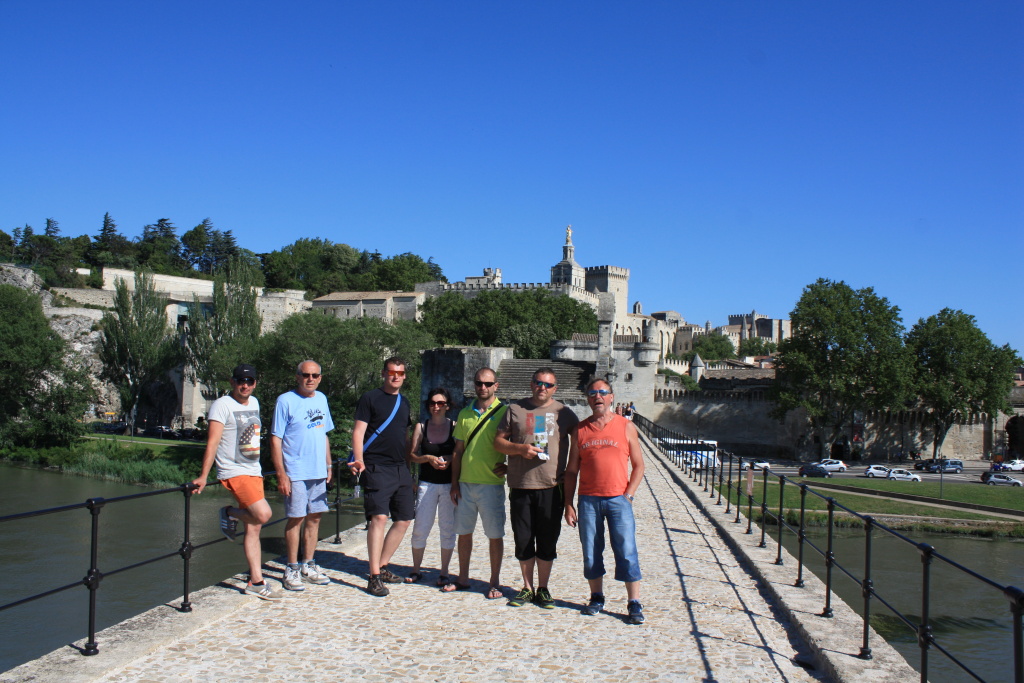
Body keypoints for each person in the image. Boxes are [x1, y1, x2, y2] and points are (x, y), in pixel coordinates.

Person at [191, 364, 282, 600]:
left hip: (254, 469)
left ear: (255, 383)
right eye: (241, 381)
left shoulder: (255, 403)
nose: (245, 385)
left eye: (249, 381)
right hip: (234, 471)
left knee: (254, 527)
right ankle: (229, 512)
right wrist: (203, 475)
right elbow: (212, 442)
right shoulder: (222, 405)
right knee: (263, 514)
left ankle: (256, 581)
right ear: (232, 382)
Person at [494, 367, 579, 608]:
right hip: (521, 484)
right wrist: (520, 449)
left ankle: (543, 587)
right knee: (523, 539)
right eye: (539, 383)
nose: (542, 388)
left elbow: (582, 438)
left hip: (551, 485)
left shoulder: (564, 413)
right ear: (532, 384)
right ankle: (527, 587)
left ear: (555, 389)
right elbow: (498, 442)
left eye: (548, 385)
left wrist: (573, 469)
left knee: (547, 540)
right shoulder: (515, 409)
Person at [564, 378, 646, 625]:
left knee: (627, 550)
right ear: (587, 399)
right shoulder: (580, 430)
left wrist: (629, 495)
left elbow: (639, 465)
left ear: (611, 397)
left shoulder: (626, 426)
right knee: (590, 551)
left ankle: (634, 602)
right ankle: (596, 596)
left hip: (618, 499)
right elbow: (571, 470)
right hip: (588, 500)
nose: (597, 397)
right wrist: (568, 503)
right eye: (592, 393)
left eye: (602, 392)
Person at [350, 357, 414, 597]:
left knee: (404, 519)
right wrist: (359, 459)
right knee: (378, 518)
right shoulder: (370, 398)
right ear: (384, 373)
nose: (396, 376)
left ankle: (383, 565)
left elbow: (404, 435)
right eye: (391, 372)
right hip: (377, 466)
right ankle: (374, 576)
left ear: (404, 376)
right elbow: (359, 431)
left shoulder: (404, 402)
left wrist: (408, 467)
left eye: (400, 373)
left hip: (400, 468)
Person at [270, 360, 335, 591]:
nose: (310, 379)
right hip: (296, 470)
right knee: (296, 518)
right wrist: (281, 473)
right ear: (297, 376)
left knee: (315, 517)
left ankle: (308, 564)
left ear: (320, 377)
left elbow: (324, 434)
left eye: (315, 375)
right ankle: (292, 567)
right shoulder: (285, 400)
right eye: (306, 375)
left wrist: (329, 465)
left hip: (317, 470)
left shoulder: (322, 399)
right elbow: (276, 439)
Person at [445, 368, 508, 598]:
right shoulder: (464, 413)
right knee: (464, 533)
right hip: (466, 483)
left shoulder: (505, 413)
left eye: (488, 384)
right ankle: (463, 577)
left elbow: (521, 442)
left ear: (496, 386)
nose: (483, 387)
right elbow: (458, 451)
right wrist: (454, 483)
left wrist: (510, 467)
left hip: (491, 483)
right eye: (479, 383)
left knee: (494, 534)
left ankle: (495, 582)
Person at [405, 386, 457, 585]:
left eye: (440, 403)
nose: (436, 407)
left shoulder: (455, 426)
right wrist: (427, 458)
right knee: (420, 527)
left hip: (448, 484)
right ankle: (416, 569)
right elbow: (411, 455)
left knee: (447, 529)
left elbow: (460, 454)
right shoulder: (421, 427)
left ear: (447, 406)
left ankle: (444, 572)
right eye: (433, 403)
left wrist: (449, 459)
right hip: (426, 483)